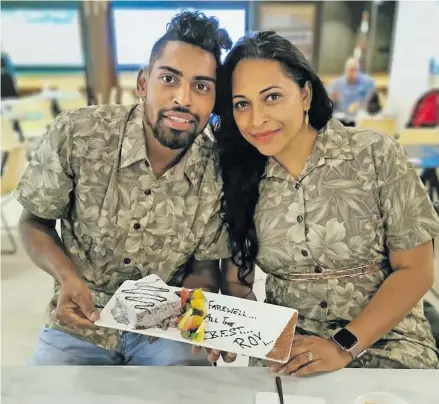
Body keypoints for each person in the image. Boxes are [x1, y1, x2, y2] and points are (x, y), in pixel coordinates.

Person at [15, 11, 235, 366]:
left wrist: (196, 312)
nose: (183, 98)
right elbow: (33, 222)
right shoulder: (79, 134)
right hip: (81, 318)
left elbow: (205, 267)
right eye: (169, 79)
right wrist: (66, 277)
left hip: (165, 324)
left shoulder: (218, 169)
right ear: (143, 82)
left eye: (201, 86)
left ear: (213, 100)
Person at [214, 31, 439, 374]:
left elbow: (416, 270)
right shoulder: (239, 176)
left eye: (272, 97)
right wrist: (237, 331)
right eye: (241, 103)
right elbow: (236, 283)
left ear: (305, 94)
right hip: (290, 353)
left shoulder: (374, 155)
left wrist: (342, 346)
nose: (256, 119)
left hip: (390, 345)